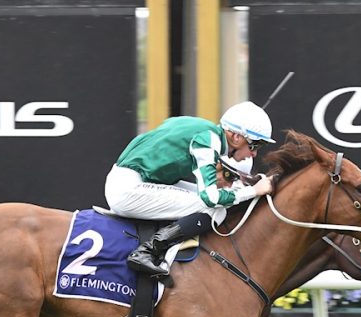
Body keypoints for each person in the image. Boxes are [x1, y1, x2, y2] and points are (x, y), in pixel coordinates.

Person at [105, 101, 277, 276]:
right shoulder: (209, 139)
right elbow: (210, 198)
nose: (254, 154)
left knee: (203, 197)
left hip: (130, 180)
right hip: (129, 189)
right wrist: (254, 191)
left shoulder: (201, 128)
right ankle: (148, 251)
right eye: (254, 145)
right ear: (236, 137)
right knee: (215, 211)